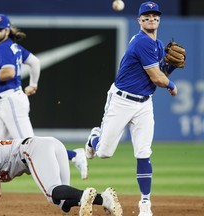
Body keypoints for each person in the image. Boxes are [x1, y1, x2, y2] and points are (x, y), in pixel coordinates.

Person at [0, 14, 88, 200]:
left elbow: (9, 72)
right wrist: (33, 84)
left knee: (30, 144)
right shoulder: (13, 47)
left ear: (7, 31)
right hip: (4, 102)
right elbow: (35, 62)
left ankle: (74, 155)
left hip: (11, 101)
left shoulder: (3, 48)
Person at [85, 2, 182, 216]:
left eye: (155, 15)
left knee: (144, 153)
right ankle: (94, 137)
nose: (151, 19)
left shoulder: (157, 45)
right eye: (146, 16)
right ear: (139, 20)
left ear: (159, 19)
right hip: (121, 101)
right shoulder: (141, 42)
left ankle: (145, 204)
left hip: (144, 104)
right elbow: (157, 78)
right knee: (103, 153)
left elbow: (160, 71)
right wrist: (172, 86)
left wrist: (171, 67)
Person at [0, 137, 123, 216]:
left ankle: (84, 194)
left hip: (33, 150)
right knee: (62, 202)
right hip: (52, 144)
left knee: (51, 192)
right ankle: (105, 198)